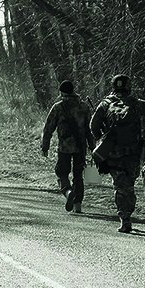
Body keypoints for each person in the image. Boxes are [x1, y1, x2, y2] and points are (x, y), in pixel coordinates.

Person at [90, 74, 145, 233]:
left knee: (119, 185)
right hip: (133, 152)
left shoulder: (105, 104)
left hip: (113, 153)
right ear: (128, 87)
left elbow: (93, 126)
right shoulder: (135, 103)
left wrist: (103, 140)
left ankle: (125, 218)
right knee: (129, 184)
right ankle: (127, 214)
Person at [41, 80, 95, 213]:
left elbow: (48, 128)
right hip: (81, 147)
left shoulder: (58, 107)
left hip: (64, 147)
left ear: (61, 92)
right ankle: (78, 205)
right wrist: (92, 146)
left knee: (61, 172)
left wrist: (45, 146)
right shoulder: (84, 107)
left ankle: (68, 191)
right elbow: (90, 129)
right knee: (78, 175)